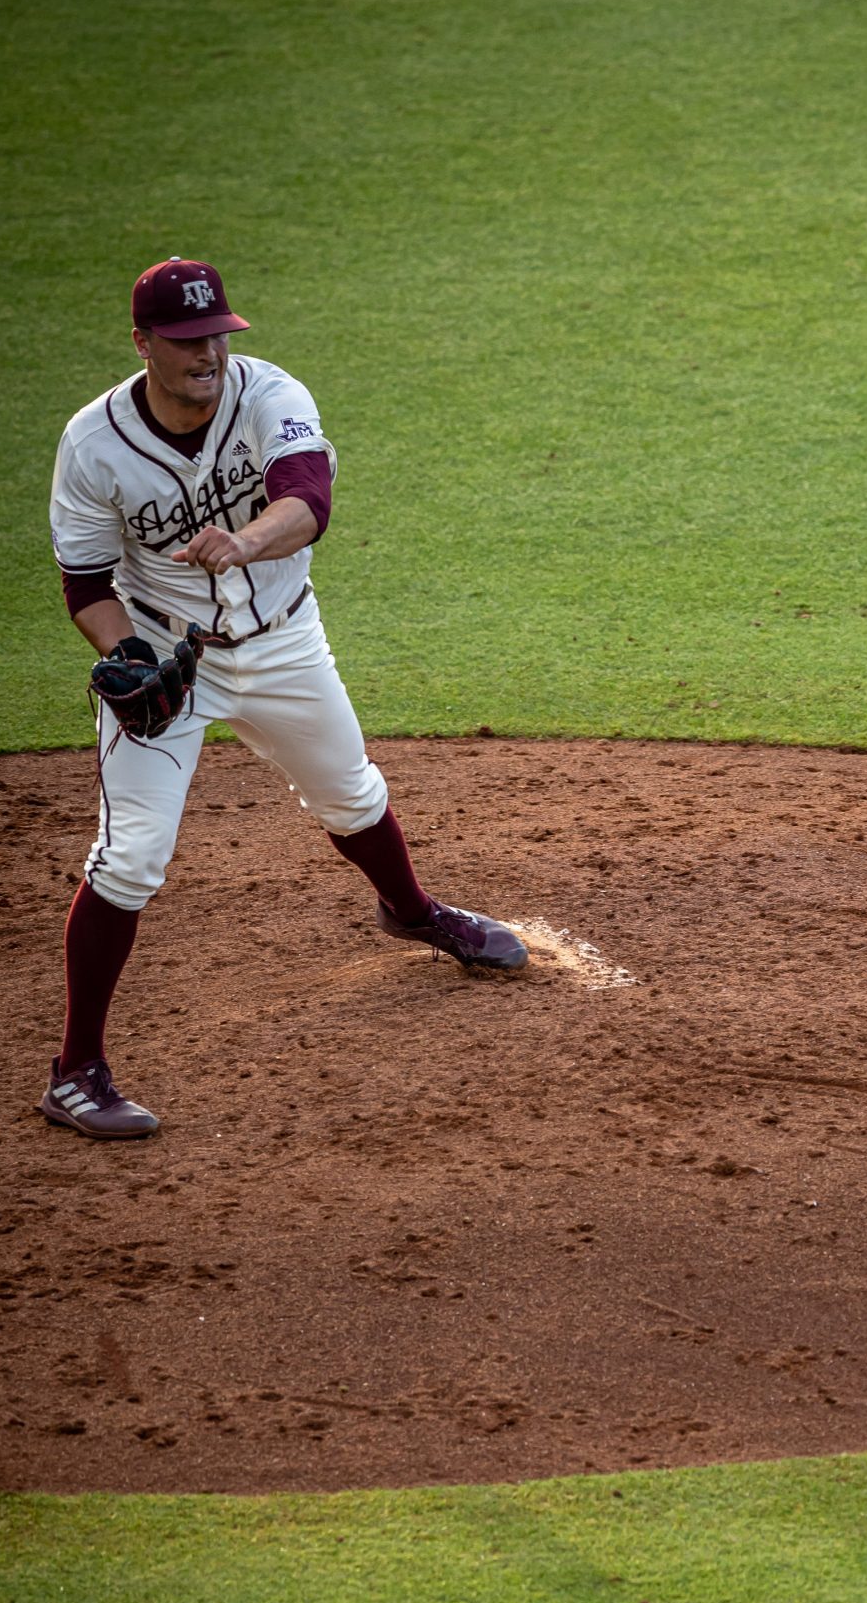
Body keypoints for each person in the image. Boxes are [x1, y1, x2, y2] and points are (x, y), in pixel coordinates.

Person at [42, 256, 526, 1141]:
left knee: (352, 795)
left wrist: (245, 541)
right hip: (171, 660)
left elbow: (309, 500)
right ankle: (74, 1072)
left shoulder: (269, 394)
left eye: (217, 337)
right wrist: (125, 661)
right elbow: (84, 584)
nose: (208, 356)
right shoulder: (93, 444)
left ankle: (412, 913)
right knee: (132, 857)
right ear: (144, 343)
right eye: (187, 342)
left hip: (284, 641)